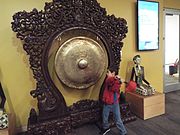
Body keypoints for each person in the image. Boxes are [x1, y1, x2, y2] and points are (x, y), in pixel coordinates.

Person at [101, 69, 127, 135]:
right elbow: (109, 81)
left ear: (114, 73)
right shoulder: (108, 80)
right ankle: (106, 128)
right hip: (107, 103)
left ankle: (123, 132)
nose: (107, 74)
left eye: (109, 72)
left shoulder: (116, 82)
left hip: (115, 104)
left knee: (118, 119)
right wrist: (115, 78)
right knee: (104, 117)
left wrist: (119, 81)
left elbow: (114, 88)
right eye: (107, 72)